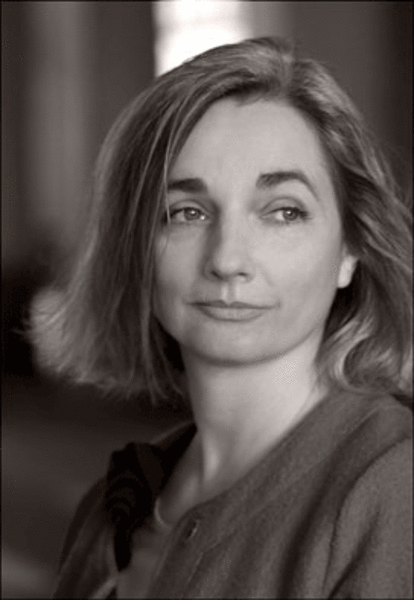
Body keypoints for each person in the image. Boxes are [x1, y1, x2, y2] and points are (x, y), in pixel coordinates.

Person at [30, 36, 412, 599]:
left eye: (283, 212)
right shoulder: (110, 506)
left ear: (351, 249)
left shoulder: (394, 488)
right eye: (186, 212)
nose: (228, 260)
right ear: (135, 248)